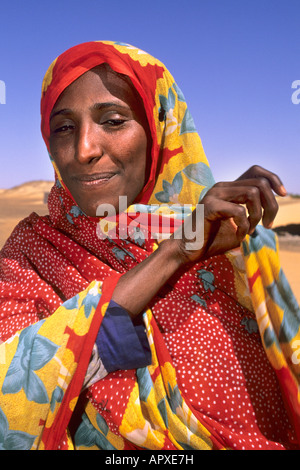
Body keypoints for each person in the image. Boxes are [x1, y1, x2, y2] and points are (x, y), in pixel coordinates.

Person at [0, 40, 299, 451]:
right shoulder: (30, 254)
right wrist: (175, 252)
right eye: (65, 127)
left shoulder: (230, 241)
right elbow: (16, 393)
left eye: (113, 120)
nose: (84, 149)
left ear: (160, 129)